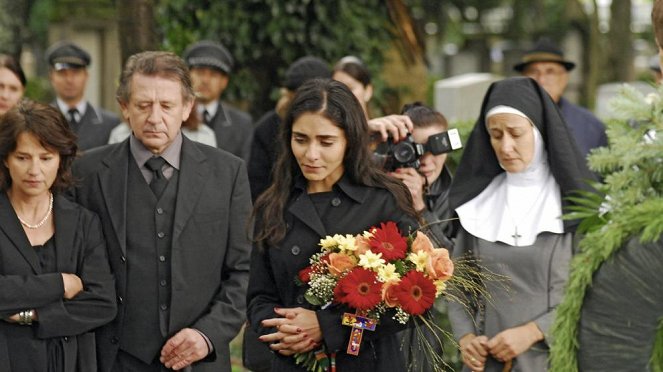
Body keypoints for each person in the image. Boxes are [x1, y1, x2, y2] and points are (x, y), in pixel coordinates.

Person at [68, 51, 252, 372]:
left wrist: (207, 335)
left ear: (187, 107)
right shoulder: (88, 172)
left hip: (200, 361)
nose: (155, 118)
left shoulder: (228, 173)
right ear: (124, 107)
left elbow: (244, 270)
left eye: (166, 106)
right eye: (143, 105)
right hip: (111, 359)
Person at [247, 78, 419, 370]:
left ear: (350, 140)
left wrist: (330, 327)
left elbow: (412, 304)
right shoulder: (273, 204)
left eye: (326, 142)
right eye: (300, 139)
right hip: (292, 362)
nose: (311, 154)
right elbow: (258, 296)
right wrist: (286, 332)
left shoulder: (384, 200)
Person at [446, 77, 595, 372]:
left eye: (516, 133)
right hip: (486, 363)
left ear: (539, 133)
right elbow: (458, 285)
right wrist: (465, 337)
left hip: (554, 360)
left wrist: (535, 331)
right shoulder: (480, 204)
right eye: (495, 134)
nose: (506, 146)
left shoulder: (576, 206)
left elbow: (596, 290)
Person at [0, 100, 116, 371]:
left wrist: (32, 315)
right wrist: (60, 284)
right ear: (5, 158)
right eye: (23, 157)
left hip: (71, 361)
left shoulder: (83, 221)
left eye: (46, 157)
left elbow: (102, 303)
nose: (34, 171)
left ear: (61, 158)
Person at [248, 56, 332, 201]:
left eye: (325, 141)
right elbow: (257, 186)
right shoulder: (268, 127)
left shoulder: (340, 122)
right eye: (300, 139)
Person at [514, 38, 607, 159]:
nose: (541, 80)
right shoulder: (504, 121)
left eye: (550, 72)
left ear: (564, 78)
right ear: (523, 79)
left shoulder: (590, 126)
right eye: (533, 72)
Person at [183, 40, 253, 160]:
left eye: (213, 75)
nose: (205, 80)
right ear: (188, 76)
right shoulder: (174, 117)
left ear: (224, 82)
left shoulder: (241, 124)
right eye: (200, 72)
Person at [46, 41, 120, 151]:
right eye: (62, 73)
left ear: (86, 76)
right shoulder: (41, 121)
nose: (69, 80)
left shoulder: (110, 124)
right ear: (51, 77)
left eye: (75, 73)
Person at [332, 55, 414, 143]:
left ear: (368, 91)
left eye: (350, 88)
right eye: (337, 89)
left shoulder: (386, 132)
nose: (344, 95)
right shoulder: (329, 135)